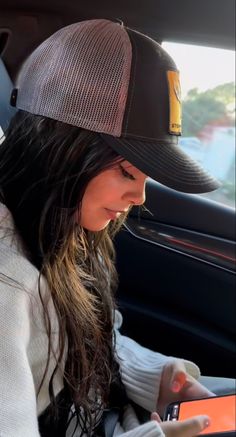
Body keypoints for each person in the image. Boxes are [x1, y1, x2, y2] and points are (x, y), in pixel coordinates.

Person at [0, 18, 232, 437]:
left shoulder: (66, 225)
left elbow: (85, 338)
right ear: (58, 150)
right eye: (128, 172)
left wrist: (159, 380)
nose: (140, 197)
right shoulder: (8, 282)